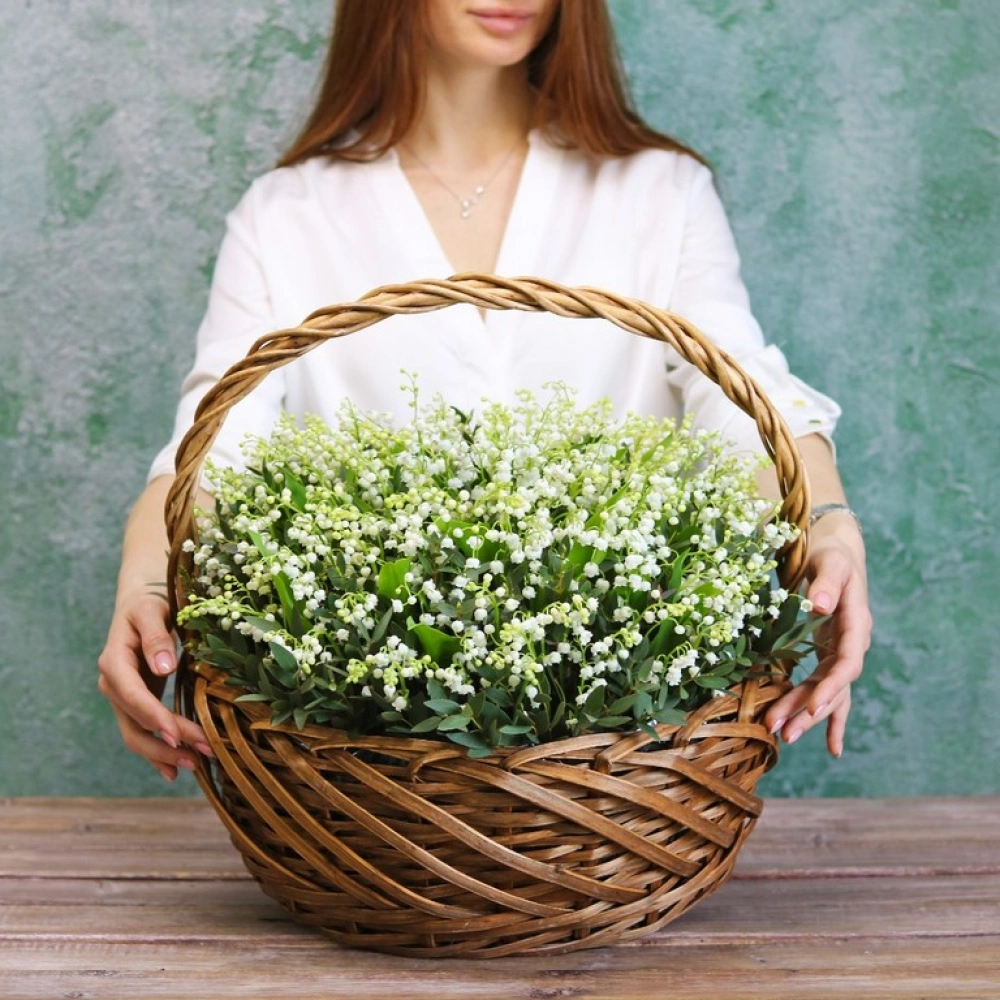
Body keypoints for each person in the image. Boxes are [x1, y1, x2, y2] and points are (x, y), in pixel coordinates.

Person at [98, 0, 871, 783]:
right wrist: (148, 580)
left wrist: (828, 524)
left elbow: (739, 388)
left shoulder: (660, 191)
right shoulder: (287, 215)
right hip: (380, 769)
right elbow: (215, 442)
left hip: (627, 768)